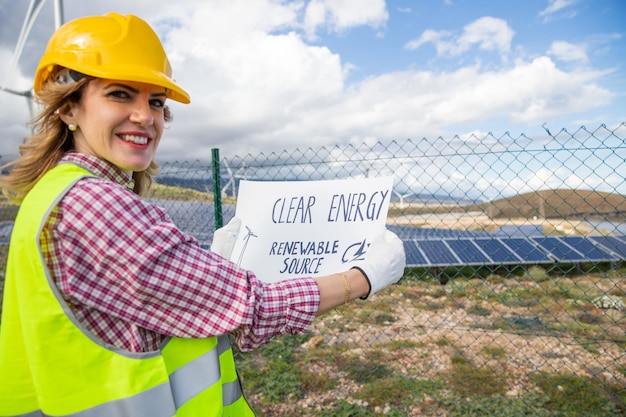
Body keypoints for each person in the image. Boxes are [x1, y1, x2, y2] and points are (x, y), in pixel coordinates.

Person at [0, 12, 406, 417]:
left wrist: (207, 270)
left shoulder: (54, 192)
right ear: (69, 109)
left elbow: (144, 302)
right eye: (120, 94)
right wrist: (362, 278)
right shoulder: (95, 206)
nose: (145, 116)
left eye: (156, 102)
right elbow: (253, 309)